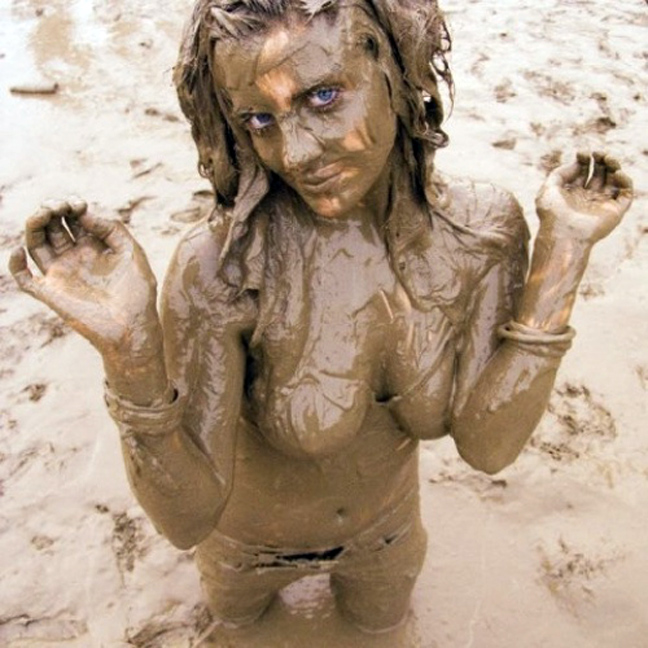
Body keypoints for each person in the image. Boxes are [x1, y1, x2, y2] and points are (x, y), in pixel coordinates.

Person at [9, 0, 632, 636]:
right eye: (259, 119)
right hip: (246, 552)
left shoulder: (480, 235)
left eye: (324, 96)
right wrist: (131, 354)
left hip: (386, 535)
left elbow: (488, 446)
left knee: (384, 630)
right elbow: (186, 520)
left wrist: (564, 253)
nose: (296, 152)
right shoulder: (222, 268)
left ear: (395, 70)